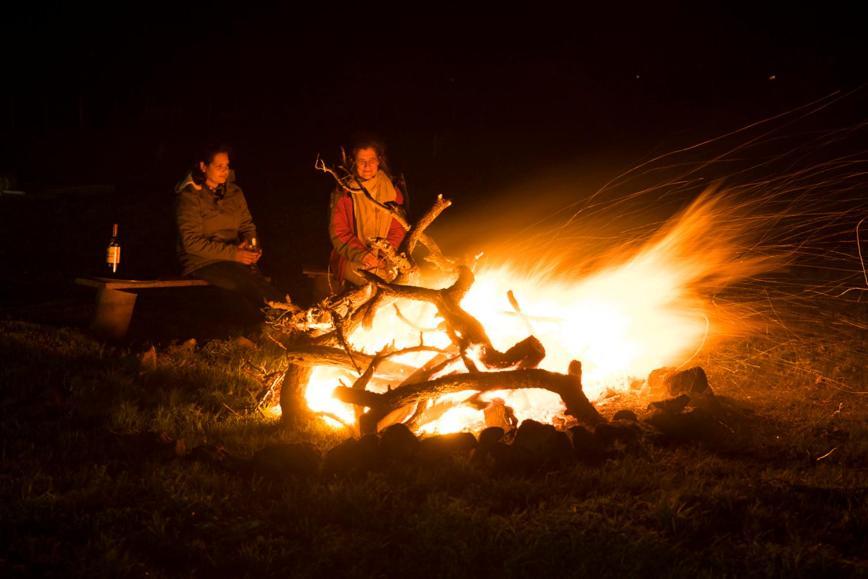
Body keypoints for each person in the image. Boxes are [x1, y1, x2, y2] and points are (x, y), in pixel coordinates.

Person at [175, 145, 287, 308]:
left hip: (234, 258)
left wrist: (252, 246)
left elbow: (247, 226)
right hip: (203, 261)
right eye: (219, 166)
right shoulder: (190, 197)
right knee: (246, 286)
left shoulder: (234, 193)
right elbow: (191, 243)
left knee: (260, 284)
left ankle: (291, 314)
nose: (225, 170)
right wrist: (234, 254)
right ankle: (278, 318)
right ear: (203, 167)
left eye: (226, 166)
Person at [329, 138, 406, 287]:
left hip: (384, 257)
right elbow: (338, 233)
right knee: (375, 282)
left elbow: (398, 228)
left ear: (379, 161)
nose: (367, 166)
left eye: (371, 160)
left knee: (399, 278)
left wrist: (385, 254)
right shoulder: (344, 192)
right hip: (351, 258)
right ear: (354, 162)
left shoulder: (391, 190)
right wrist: (364, 256)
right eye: (361, 160)